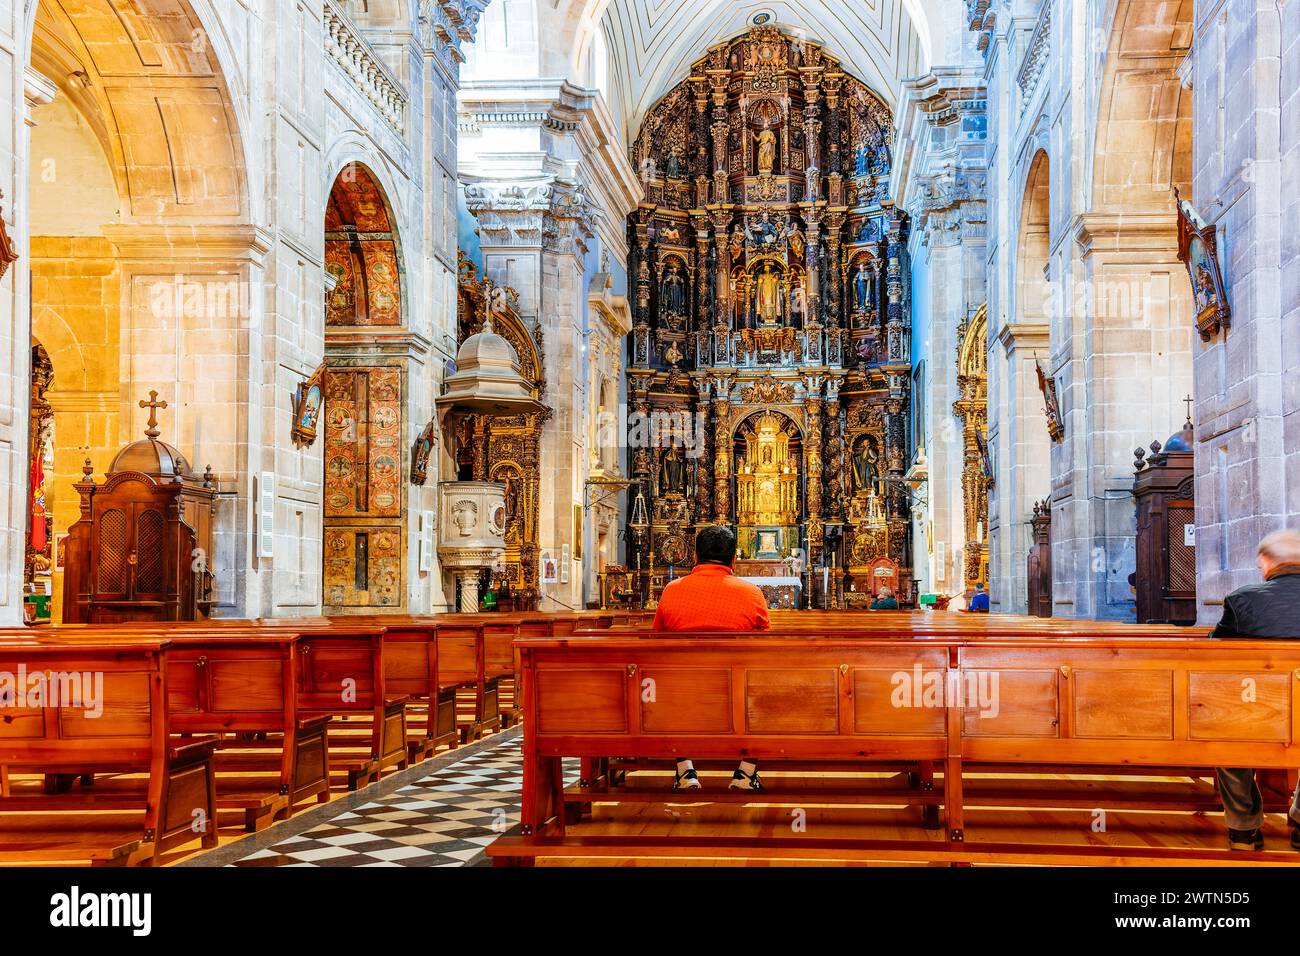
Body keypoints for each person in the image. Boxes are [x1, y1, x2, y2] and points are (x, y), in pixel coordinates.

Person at [652, 525, 769, 791]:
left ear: (694, 556)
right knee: (765, 695)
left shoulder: (672, 590)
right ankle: (745, 773)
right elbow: (765, 644)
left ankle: (685, 770)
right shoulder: (751, 593)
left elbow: (656, 639)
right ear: (733, 559)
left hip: (683, 692)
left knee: (669, 692)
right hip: (737, 691)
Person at [1211, 529, 1300, 851]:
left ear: (1265, 562)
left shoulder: (1243, 598)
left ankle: (1243, 829)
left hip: (1258, 708)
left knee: (1229, 741)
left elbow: (1214, 651)